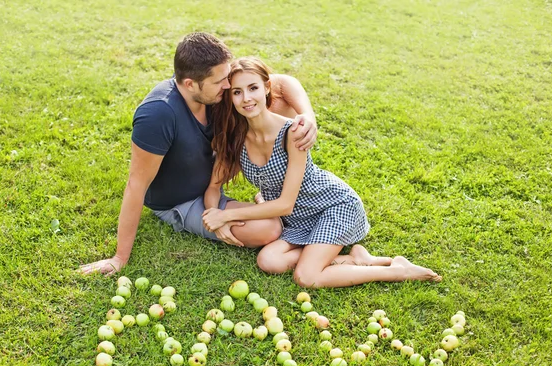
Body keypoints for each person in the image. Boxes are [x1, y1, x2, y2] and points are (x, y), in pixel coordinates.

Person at [79, 33, 318, 276]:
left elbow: (282, 83)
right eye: (220, 82)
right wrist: (120, 257)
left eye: (226, 79)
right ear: (191, 84)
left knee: (276, 103)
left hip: (211, 181)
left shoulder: (214, 91)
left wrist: (307, 117)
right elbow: (136, 186)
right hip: (183, 201)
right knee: (267, 229)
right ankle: (305, 246)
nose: (227, 87)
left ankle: (276, 193)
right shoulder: (157, 115)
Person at [202, 57, 442, 288]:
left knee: (307, 277)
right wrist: (215, 218)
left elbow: (285, 204)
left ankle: (397, 270)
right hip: (297, 219)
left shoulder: (292, 132)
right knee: (268, 261)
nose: (246, 98)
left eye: (253, 88)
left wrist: (226, 217)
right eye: (237, 92)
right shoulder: (235, 138)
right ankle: (355, 259)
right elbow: (214, 187)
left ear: (266, 88)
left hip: (333, 206)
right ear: (230, 97)